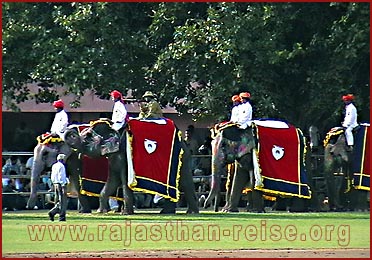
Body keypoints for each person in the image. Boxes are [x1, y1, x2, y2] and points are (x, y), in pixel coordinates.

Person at [48, 154, 69, 221]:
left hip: (55, 183)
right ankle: (61, 216)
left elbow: (52, 176)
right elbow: (61, 176)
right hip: (61, 184)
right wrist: (63, 184)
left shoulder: (54, 165)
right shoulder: (62, 166)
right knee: (63, 201)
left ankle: (54, 212)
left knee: (57, 200)